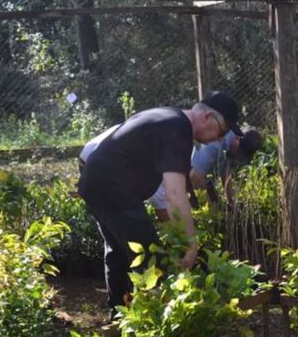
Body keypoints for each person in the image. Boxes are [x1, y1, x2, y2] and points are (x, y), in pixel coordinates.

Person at [77, 91, 242, 311]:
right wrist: (191, 243)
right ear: (207, 117)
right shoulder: (178, 130)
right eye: (221, 132)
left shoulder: (166, 116)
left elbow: (166, 192)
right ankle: (153, 324)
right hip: (115, 192)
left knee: (119, 255)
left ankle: (118, 317)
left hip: (96, 186)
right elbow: (175, 194)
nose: (218, 139)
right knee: (152, 264)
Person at [149, 128, 264, 219]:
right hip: (171, 173)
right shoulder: (215, 143)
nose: (238, 155)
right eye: (240, 151)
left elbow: (226, 174)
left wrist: (233, 205)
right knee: (178, 220)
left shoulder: (230, 146)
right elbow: (195, 176)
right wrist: (208, 209)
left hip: (189, 176)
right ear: (238, 138)